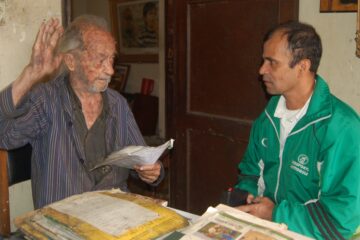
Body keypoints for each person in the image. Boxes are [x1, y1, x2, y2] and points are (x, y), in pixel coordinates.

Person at [0, 15, 163, 209]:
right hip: (63, 220)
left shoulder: (117, 103)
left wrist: (153, 171)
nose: (110, 70)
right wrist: (31, 74)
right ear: (71, 61)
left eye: (111, 59)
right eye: (100, 59)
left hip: (115, 214)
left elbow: (140, 158)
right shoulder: (46, 100)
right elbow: (4, 136)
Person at [234, 21, 360, 239]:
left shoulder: (341, 128)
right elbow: (250, 173)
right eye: (263, 60)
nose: (261, 70)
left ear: (302, 66)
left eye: (272, 63)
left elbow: (341, 218)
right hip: (271, 228)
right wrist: (248, 196)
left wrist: (275, 213)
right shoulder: (267, 120)